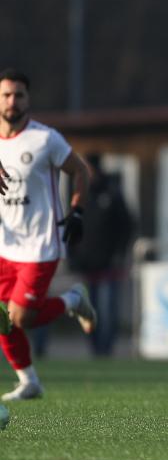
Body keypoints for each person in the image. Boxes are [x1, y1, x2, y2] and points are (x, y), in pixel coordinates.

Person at [0, 68, 97, 401]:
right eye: (7, 95)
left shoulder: (45, 139)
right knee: (1, 318)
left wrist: (78, 210)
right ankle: (29, 381)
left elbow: (80, 170)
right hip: (5, 244)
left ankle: (73, 299)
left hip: (40, 244)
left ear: (28, 99)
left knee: (19, 317)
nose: (13, 101)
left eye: (19, 95)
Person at [66, 153, 134, 356]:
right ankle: (95, 349)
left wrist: (119, 253)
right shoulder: (78, 195)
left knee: (108, 309)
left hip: (109, 264)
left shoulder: (112, 193)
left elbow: (127, 225)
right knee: (89, 310)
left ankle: (107, 348)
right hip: (86, 264)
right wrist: (72, 256)